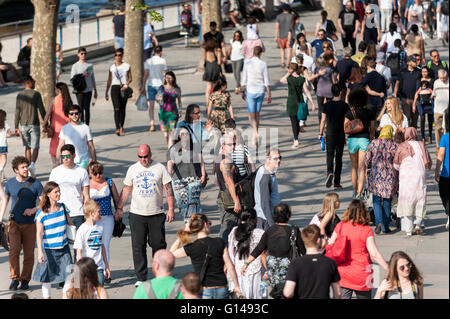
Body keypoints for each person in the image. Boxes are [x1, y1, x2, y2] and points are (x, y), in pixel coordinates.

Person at [115, 144, 175, 287]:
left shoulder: (160, 168)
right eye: (140, 157)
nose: (143, 160)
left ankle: (159, 275)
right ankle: (141, 277)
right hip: (137, 214)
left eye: (145, 157)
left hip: (156, 213)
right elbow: (126, 189)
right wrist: (119, 208)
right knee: (138, 246)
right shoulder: (133, 169)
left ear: (150, 155)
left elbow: (168, 189)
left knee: (158, 245)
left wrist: (171, 208)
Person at [241, 203, 306, 299]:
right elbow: (302, 250)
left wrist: (246, 263)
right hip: (289, 269)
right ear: (288, 215)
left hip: (273, 270)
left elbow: (259, 249)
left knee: (278, 294)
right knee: (291, 293)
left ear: (274, 216)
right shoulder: (294, 230)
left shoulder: (270, 230)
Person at [170, 214, 242, 299]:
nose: (209, 225)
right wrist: (236, 286)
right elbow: (229, 265)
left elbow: (171, 253)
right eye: (209, 223)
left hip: (204, 289)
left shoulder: (192, 247)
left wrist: (185, 232)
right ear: (205, 224)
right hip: (221, 287)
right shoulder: (219, 242)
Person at [328, 199, 389, 299]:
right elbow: (374, 253)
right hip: (363, 274)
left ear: (348, 211)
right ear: (364, 212)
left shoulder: (340, 226)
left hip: (343, 272)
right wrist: (387, 268)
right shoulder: (366, 230)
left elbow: (330, 245)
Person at [0, 156, 43, 291]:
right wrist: (0, 219)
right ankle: (15, 278)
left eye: (27, 166)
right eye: (23, 167)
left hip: (30, 224)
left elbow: (43, 202)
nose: (26, 169)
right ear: (15, 170)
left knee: (29, 254)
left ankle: (25, 279)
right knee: (14, 252)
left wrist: (34, 209)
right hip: (14, 223)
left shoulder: (36, 183)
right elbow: (5, 200)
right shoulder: (11, 183)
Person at [33, 181, 73, 298]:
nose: (58, 194)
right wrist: (40, 252)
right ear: (48, 194)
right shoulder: (41, 213)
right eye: (56, 192)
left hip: (64, 248)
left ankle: (64, 296)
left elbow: (70, 224)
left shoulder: (63, 208)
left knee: (69, 275)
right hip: (48, 250)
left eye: (59, 191)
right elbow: (39, 233)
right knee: (46, 278)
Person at [283, 224, 341, 299]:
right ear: (318, 240)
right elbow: (338, 293)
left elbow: (288, 293)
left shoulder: (295, 263)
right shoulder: (330, 263)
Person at [394, 127, 432, 236]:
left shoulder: (402, 146)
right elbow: (428, 160)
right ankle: (418, 223)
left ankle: (409, 230)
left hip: (406, 177)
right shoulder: (421, 144)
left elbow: (396, 164)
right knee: (420, 198)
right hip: (420, 175)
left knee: (407, 200)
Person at [87, 161, 120, 275]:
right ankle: (95, 269)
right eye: (95, 173)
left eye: (100, 172)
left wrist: (119, 210)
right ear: (90, 173)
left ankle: (106, 271)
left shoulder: (109, 182)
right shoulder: (86, 184)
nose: (98, 175)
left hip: (107, 217)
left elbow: (116, 198)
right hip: (93, 219)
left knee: (105, 243)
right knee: (94, 244)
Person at [49, 144, 90, 235]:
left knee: (78, 246)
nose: (65, 159)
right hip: (59, 213)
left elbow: (86, 195)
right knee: (61, 245)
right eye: (62, 156)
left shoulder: (82, 172)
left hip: (77, 212)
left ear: (74, 156)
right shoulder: (55, 172)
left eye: (67, 156)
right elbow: (50, 194)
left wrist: (87, 213)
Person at [167, 127, 206, 223]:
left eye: (187, 134)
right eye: (183, 134)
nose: (185, 136)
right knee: (183, 205)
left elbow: (201, 162)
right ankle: (189, 222)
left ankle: (191, 225)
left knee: (194, 202)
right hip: (178, 181)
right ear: (179, 136)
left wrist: (203, 174)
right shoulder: (174, 149)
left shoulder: (195, 147)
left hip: (193, 179)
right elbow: (170, 161)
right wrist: (169, 169)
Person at [365, 125, 399, 234]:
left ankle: (378, 221)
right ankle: (385, 227)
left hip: (376, 176)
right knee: (387, 201)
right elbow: (398, 161)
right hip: (390, 177)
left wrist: (369, 167)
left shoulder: (374, 143)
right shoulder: (394, 146)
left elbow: (367, 160)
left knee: (376, 200)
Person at [227, 208, 265, 299]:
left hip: (239, 269)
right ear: (255, 219)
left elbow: (230, 252)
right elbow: (264, 254)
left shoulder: (234, 231)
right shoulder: (260, 233)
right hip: (257, 270)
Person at [345, 88, 376, 199]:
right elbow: (372, 129)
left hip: (352, 140)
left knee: (354, 167)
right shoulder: (369, 112)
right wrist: (372, 138)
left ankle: (353, 191)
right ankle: (359, 193)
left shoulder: (349, 113)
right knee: (362, 168)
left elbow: (345, 127)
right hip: (364, 139)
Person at [14, 75, 46, 177]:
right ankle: (32, 164)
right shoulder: (36, 94)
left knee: (27, 147)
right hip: (34, 124)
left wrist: (16, 126)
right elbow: (41, 109)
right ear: (30, 82)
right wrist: (46, 123)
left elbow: (17, 111)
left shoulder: (19, 95)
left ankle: (26, 168)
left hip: (23, 125)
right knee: (35, 147)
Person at [319, 84, 349, 188]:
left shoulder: (327, 105)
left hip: (330, 133)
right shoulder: (344, 105)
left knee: (330, 155)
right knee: (339, 157)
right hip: (340, 133)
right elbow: (347, 120)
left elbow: (323, 120)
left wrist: (320, 133)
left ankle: (329, 172)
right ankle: (337, 182)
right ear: (341, 92)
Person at [241, 46, 271, 146]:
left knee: (251, 114)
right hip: (260, 90)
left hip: (250, 90)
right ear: (260, 53)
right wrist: (269, 93)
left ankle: (255, 133)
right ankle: (255, 134)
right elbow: (266, 79)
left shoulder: (247, 63)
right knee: (257, 114)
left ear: (253, 52)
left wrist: (242, 90)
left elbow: (244, 78)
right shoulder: (263, 64)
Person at [215, 132, 241, 244]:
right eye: (230, 144)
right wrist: (236, 201)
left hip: (224, 195)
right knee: (228, 228)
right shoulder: (226, 161)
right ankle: (220, 253)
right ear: (223, 145)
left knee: (230, 227)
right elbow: (229, 182)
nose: (233, 146)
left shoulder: (221, 158)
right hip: (228, 198)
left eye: (234, 144)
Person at [56, 104, 96, 169]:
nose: (74, 115)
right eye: (71, 114)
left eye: (76, 113)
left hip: (83, 161)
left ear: (80, 114)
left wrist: (94, 161)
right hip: (68, 160)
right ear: (68, 115)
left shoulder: (86, 128)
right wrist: (57, 161)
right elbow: (60, 145)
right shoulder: (64, 128)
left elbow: (91, 146)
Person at [42, 82, 71, 167]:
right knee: (65, 146)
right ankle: (64, 164)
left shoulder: (54, 100)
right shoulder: (68, 100)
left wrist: (44, 125)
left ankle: (55, 164)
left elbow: (48, 114)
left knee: (54, 148)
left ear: (58, 90)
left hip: (56, 127)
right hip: (67, 126)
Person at [105, 48, 132, 136]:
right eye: (116, 55)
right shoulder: (112, 67)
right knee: (116, 108)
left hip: (123, 87)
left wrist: (126, 85)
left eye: (119, 55)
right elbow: (109, 80)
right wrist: (106, 92)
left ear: (122, 56)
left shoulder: (127, 66)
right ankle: (117, 128)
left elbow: (130, 78)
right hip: (114, 88)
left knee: (122, 109)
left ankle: (121, 127)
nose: (117, 57)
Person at [142, 45, 168, 132]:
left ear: (154, 51)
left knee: (151, 106)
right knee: (162, 106)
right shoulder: (163, 61)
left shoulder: (148, 61)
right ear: (161, 52)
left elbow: (146, 75)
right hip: (160, 85)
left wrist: (143, 86)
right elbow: (166, 74)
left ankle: (152, 124)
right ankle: (163, 123)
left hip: (150, 85)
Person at [254, 149, 281, 230]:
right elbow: (265, 204)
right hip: (266, 220)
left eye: (280, 158)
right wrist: (272, 224)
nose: (279, 160)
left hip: (265, 217)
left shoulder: (264, 170)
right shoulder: (266, 178)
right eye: (275, 159)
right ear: (268, 159)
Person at [70, 48, 98, 126]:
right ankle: (81, 124)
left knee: (87, 108)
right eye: (82, 53)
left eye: (85, 53)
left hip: (89, 89)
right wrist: (82, 75)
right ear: (78, 54)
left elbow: (93, 78)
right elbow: (72, 78)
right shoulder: (75, 66)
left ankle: (87, 126)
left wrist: (95, 90)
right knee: (80, 108)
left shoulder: (90, 65)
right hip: (79, 90)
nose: (83, 55)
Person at [394, 55, 422, 129]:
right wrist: (395, 94)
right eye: (414, 61)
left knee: (415, 118)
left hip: (416, 99)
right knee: (407, 117)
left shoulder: (419, 72)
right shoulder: (403, 71)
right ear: (408, 63)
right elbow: (397, 83)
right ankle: (407, 135)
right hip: (405, 98)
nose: (416, 62)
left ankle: (413, 136)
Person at [157, 71, 183, 147]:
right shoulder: (161, 88)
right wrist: (158, 98)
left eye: (169, 78)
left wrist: (180, 110)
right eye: (166, 77)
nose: (167, 79)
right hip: (163, 114)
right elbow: (157, 97)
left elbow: (179, 101)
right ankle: (171, 146)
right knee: (166, 135)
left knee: (172, 134)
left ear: (173, 79)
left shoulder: (176, 89)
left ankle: (170, 150)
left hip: (173, 114)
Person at [435, 109, 449, 230]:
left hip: (446, 173)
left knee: (444, 194)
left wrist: (436, 171)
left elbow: (441, 155)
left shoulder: (445, 138)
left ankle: (448, 210)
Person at [432, 69, 449, 149]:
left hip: (447, 110)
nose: (443, 80)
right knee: (438, 129)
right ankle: (439, 146)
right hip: (438, 110)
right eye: (441, 78)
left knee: (447, 129)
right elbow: (434, 95)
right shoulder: (436, 83)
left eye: (444, 78)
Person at [203, 39, 222, 106]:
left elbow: (205, 60)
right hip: (215, 68)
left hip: (208, 68)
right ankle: (215, 101)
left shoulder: (206, 51)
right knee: (215, 87)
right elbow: (219, 62)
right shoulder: (217, 51)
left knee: (208, 87)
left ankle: (208, 103)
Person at [275, 4, 292, 68]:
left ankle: (282, 62)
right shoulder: (291, 16)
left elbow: (277, 27)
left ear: (282, 9)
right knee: (288, 49)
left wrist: (276, 36)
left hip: (281, 35)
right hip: (289, 35)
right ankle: (288, 63)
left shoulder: (279, 16)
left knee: (282, 49)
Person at [227, 30, 245, 95]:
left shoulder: (243, 42)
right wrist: (226, 56)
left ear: (240, 36)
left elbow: (245, 50)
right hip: (233, 58)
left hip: (240, 58)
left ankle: (237, 87)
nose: (236, 37)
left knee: (237, 72)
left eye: (238, 36)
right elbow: (230, 49)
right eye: (235, 36)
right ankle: (239, 84)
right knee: (234, 73)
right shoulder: (232, 41)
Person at [0, 109, 15, 182]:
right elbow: (10, 134)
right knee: (4, 161)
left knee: (0, 161)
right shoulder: (5, 124)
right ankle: (1, 170)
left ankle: (2, 176)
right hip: (3, 145)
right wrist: (16, 133)